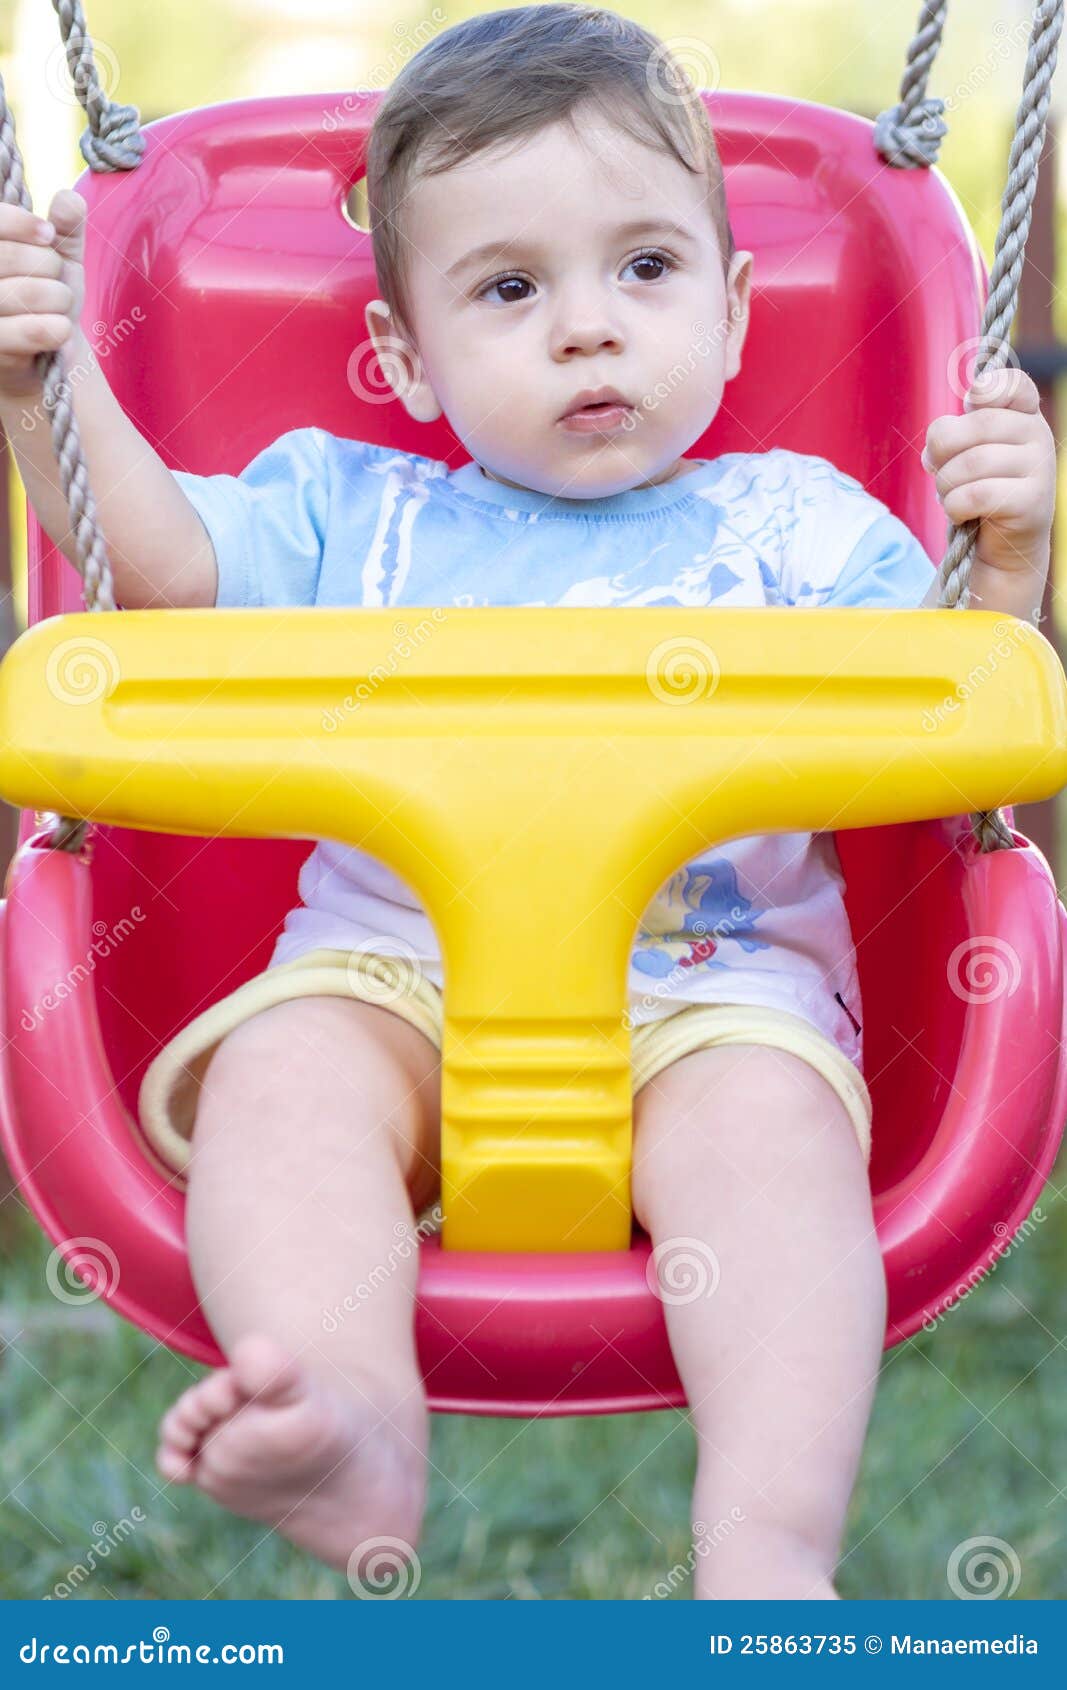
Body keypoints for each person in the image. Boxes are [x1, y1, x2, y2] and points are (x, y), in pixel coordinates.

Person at [0, 3, 1053, 1600]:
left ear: (736, 308)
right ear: (407, 359)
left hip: (718, 998)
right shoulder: (352, 515)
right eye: (510, 289)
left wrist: (1010, 558)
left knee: (771, 1157)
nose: (588, 329)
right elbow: (154, 568)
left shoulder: (801, 532)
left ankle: (770, 1556)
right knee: (283, 1089)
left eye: (647, 268)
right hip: (392, 980)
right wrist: (44, 383)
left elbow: (953, 712)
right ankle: (350, 1417)